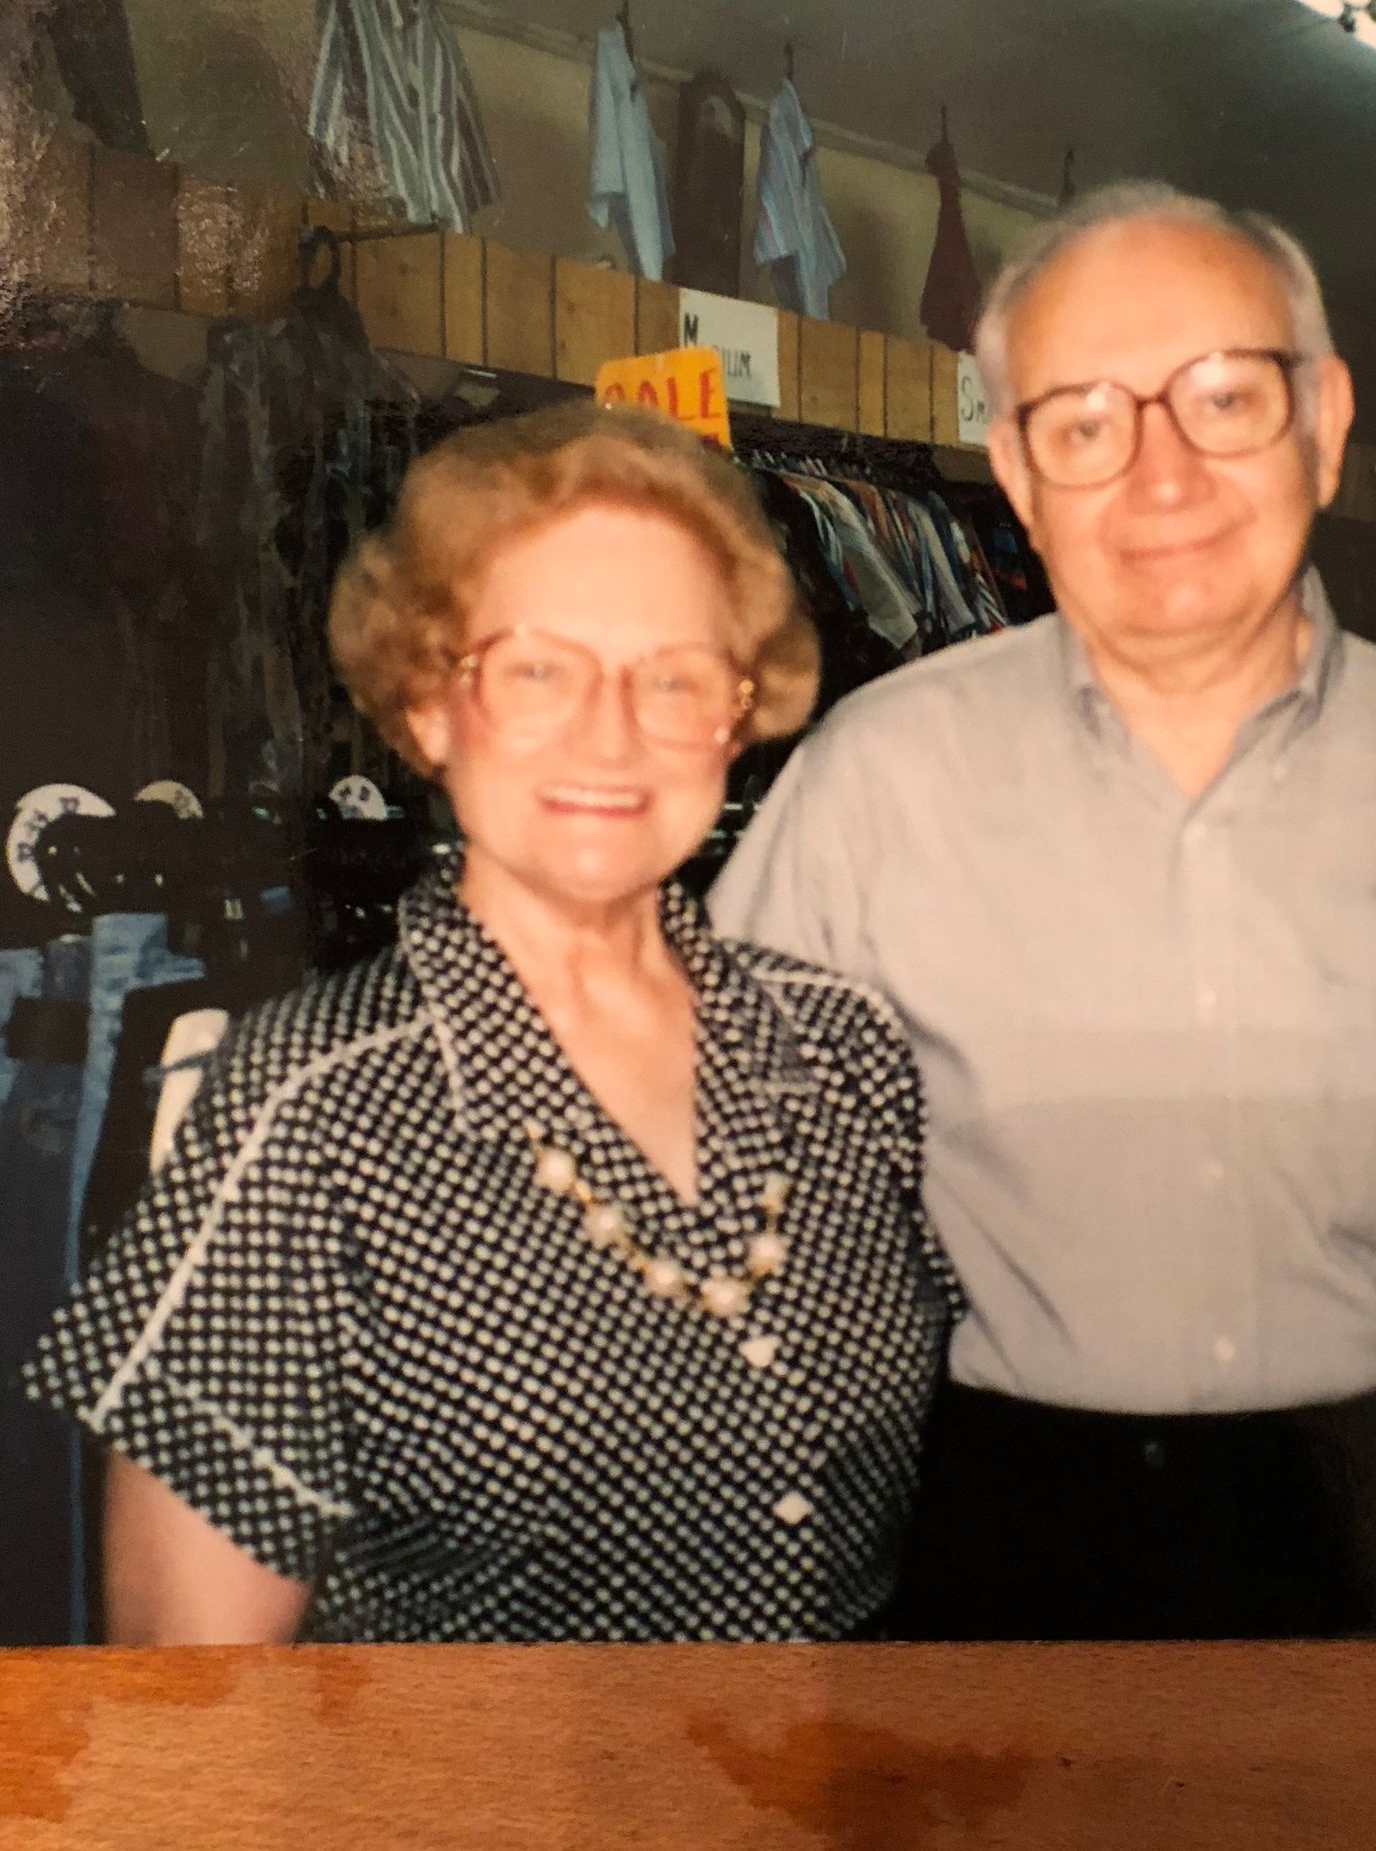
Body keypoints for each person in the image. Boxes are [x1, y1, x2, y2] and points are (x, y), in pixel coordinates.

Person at [711, 182, 1376, 1640]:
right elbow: (735, 1162)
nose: (1160, 478)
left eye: (1224, 398)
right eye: (1086, 421)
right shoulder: (868, 786)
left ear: (1327, 424)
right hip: (1009, 1547)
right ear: (1017, 474)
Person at [20, 398, 960, 1644]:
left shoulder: (850, 1054)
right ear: (427, 706)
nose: (609, 733)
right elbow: (197, 1718)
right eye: (536, 669)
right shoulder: (308, 1115)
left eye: (673, 674)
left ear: (741, 711)